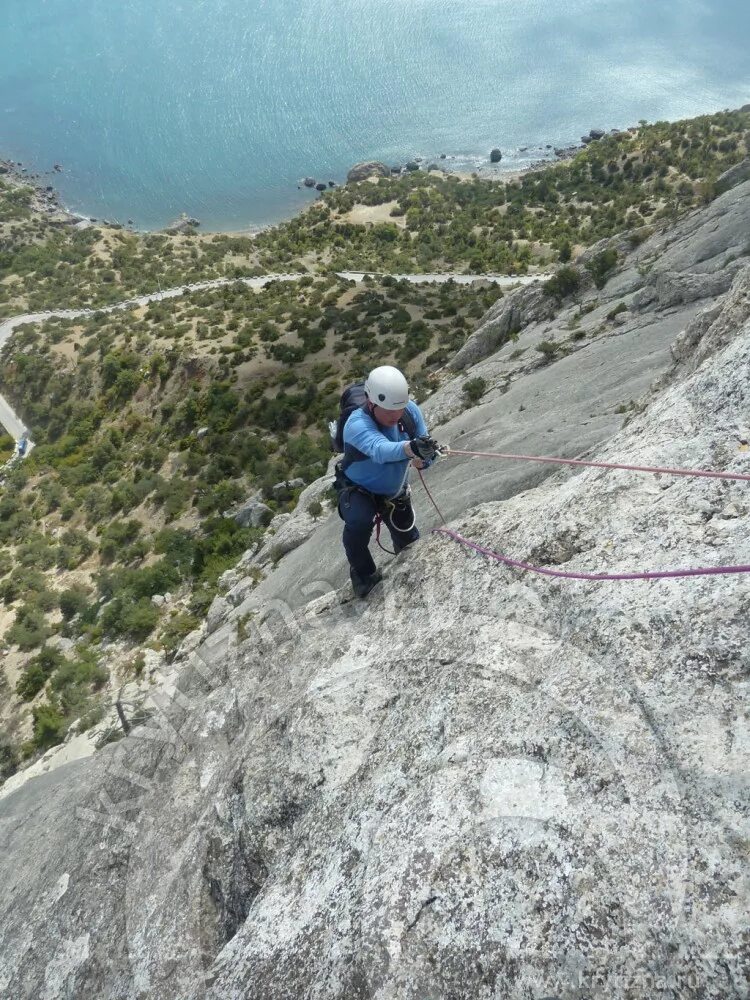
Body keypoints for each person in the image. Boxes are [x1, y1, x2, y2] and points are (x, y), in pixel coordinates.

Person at [334, 365, 441, 598]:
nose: (396, 416)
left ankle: (407, 569)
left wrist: (425, 458)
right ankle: (363, 575)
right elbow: (379, 449)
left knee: (409, 540)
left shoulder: (409, 412)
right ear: (371, 404)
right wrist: (410, 448)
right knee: (359, 522)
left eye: (400, 409)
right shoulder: (356, 424)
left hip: (394, 492)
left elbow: (424, 445)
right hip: (359, 490)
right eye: (390, 411)